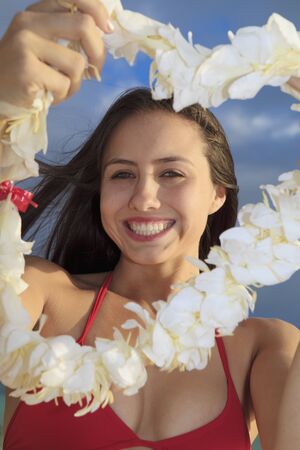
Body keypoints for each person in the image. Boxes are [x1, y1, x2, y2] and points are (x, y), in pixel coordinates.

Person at [0, 1, 299, 449]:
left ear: (219, 193)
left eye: (171, 173)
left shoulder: (263, 348)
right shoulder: (42, 295)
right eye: (122, 174)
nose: (144, 197)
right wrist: (3, 111)